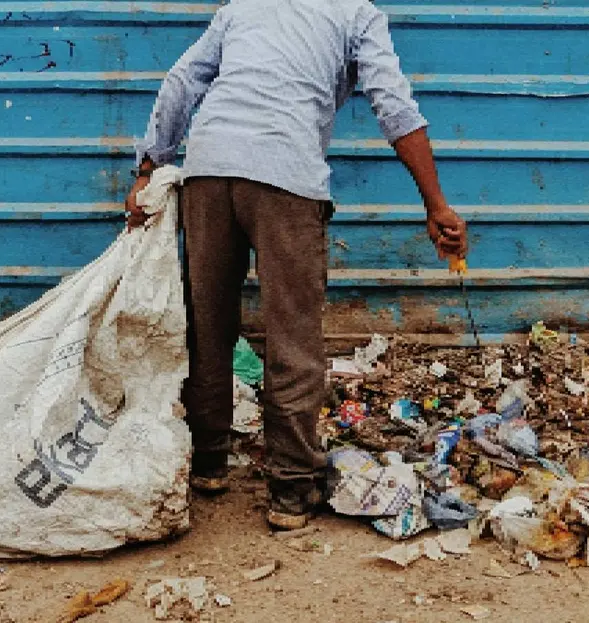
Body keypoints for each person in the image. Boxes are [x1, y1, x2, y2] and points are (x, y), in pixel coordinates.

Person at [125, 0, 467, 530]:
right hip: (286, 176)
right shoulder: (357, 14)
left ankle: (208, 463)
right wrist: (436, 204)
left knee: (207, 326)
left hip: (208, 172)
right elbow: (394, 108)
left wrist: (150, 166)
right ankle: (290, 489)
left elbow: (181, 80)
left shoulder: (241, 8)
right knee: (293, 334)